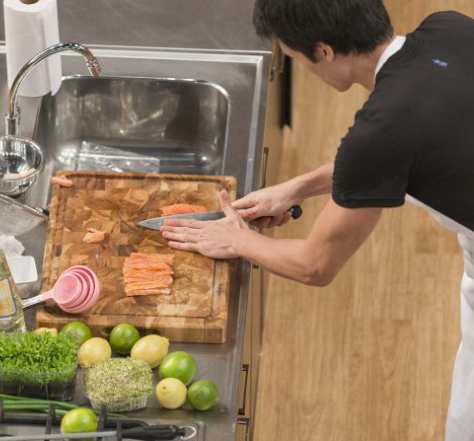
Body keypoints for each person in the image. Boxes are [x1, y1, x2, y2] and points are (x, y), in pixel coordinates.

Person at [160, 1, 474, 439]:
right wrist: (295, 188)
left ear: (323, 52)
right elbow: (411, 147)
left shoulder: (379, 134)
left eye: (295, 58)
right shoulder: (449, 28)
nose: (304, 70)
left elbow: (315, 266)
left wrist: (237, 240)